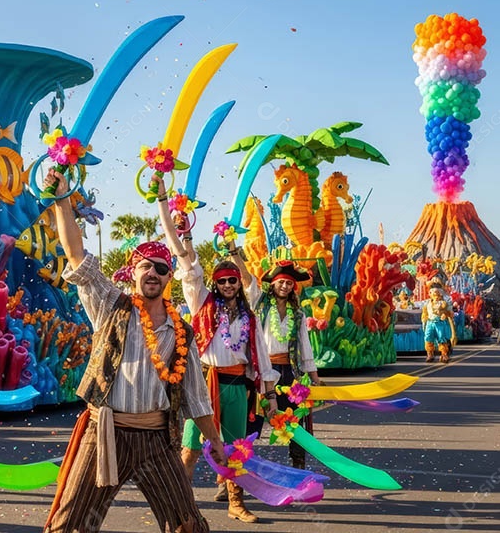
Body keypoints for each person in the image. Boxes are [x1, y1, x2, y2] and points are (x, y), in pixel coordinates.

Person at [43, 170, 223, 533]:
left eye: (161, 268)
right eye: (145, 266)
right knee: (71, 524)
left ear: (169, 278)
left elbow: (196, 398)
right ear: (133, 272)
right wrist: (62, 200)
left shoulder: (181, 332)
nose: (153, 273)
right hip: (104, 433)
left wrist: (216, 442)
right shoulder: (110, 305)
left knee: (187, 525)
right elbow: (76, 256)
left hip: (157, 440)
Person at [155, 178, 278, 524]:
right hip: (203, 386)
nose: (226, 284)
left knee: (236, 448)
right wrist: (182, 229)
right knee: (191, 449)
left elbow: (262, 357)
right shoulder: (202, 302)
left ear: (238, 283)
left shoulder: (250, 316)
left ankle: (235, 503)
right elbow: (187, 263)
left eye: (231, 280)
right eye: (221, 280)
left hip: (237, 386)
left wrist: (269, 396)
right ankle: (178, 506)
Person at [245, 260, 322, 470]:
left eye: (289, 283)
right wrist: (234, 251)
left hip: (290, 372)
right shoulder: (260, 305)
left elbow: (305, 347)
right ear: (273, 284)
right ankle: (239, 469)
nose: (285, 286)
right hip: (262, 371)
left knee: (294, 421)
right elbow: (247, 279)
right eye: (281, 282)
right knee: (252, 420)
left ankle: (298, 466)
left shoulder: (298, 314)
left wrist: (314, 379)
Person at [422, 279, 456, 363]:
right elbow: (425, 313)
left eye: (436, 292)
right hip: (430, 323)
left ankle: (444, 354)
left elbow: (450, 313)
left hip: (440, 323)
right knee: (428, 338)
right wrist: (424, 320)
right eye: (432, 292)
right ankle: (430, 354)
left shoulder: (443, 303)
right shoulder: (427, 303)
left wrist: (445, 314)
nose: (434, 294)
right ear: (430, 294)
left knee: (441, 338)